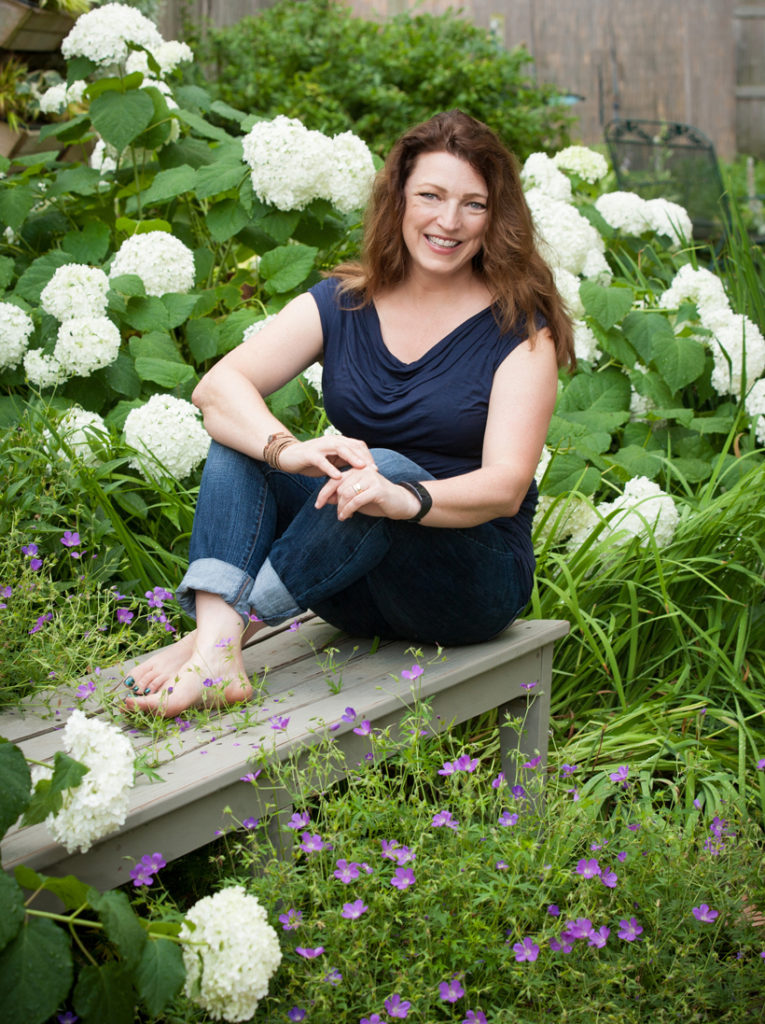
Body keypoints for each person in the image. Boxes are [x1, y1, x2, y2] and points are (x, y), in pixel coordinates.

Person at [123, 110, 574, 717]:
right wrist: (290, 450)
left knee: (376, 468)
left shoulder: (520, 331)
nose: (449, 220)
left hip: (464, 582)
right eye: (431, 196)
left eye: (473, 204)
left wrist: (403, 497)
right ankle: (217, 650)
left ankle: (219, 643)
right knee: (243, 441)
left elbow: (505, 487)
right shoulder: (344, 301)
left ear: (496, 218)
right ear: (399, 200)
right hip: (343, 583)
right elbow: (217, 389)